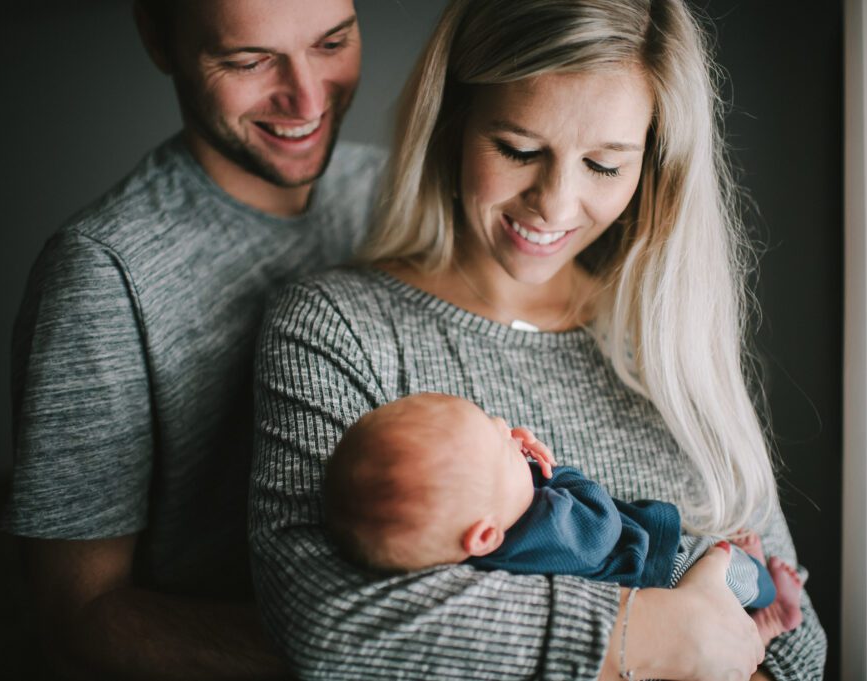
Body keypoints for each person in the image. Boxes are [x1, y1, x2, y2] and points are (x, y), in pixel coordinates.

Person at [250, 0, 827, 679]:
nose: (554, 204)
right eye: (519, 149)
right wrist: (644, 634)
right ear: (455, 122)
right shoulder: (336, 328)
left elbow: (797, 652)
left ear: (653, 168)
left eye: (605, 166)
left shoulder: (668, 344)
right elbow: (331, 625)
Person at [1, 0, 384, 678]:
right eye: (249, 60)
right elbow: (80, 617)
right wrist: (373, 653)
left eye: (332, 42)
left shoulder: (394, 191)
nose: (305, 97)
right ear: (158, 37)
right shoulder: (100, 275)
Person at [322, 392, 805, 646]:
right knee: (731, 571)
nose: (511, 432)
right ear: (486, 534)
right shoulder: (544, 525)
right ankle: (774, 605)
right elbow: (600, 523)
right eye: (504, 448)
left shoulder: (476, 551)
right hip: (668, 572)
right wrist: (555, 471)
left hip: (652, 605)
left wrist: (517, 469)